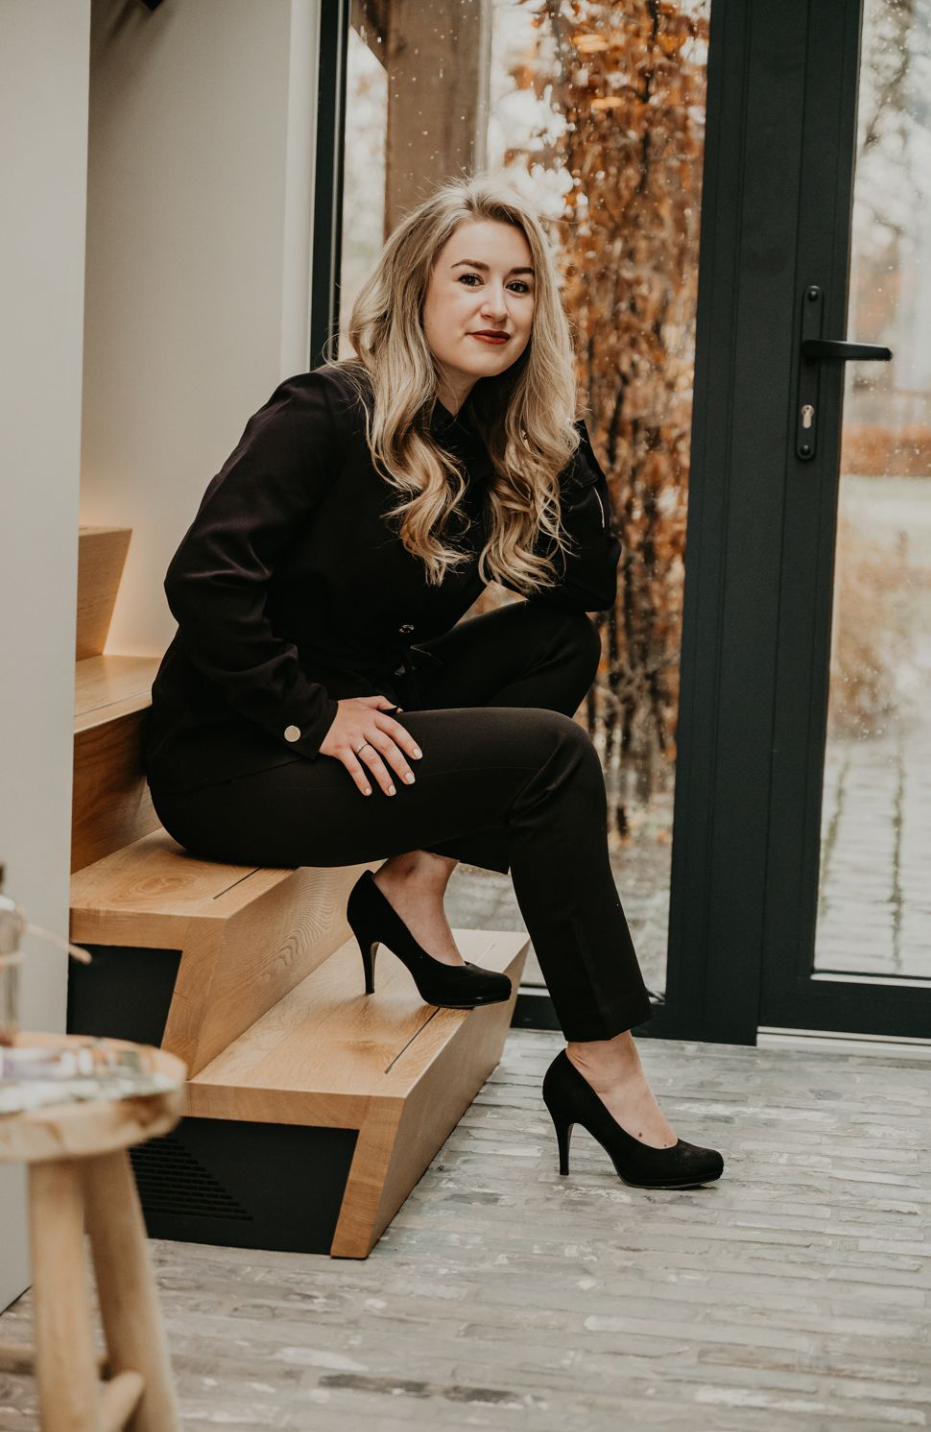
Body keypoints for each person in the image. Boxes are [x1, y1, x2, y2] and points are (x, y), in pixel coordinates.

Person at [145, 173, 724, 1190]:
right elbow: (205, 580)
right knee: (551, 757)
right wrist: (309, 718)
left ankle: (411, 879)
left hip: (362, 714)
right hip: (240, 761)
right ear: (416, 288)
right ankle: (603, 1062)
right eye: (470, 279)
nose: (497, 306)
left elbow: (585, 584)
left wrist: (556, 421)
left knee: (556, 643)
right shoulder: (326, 410)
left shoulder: (480, 436)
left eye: (520, 286)